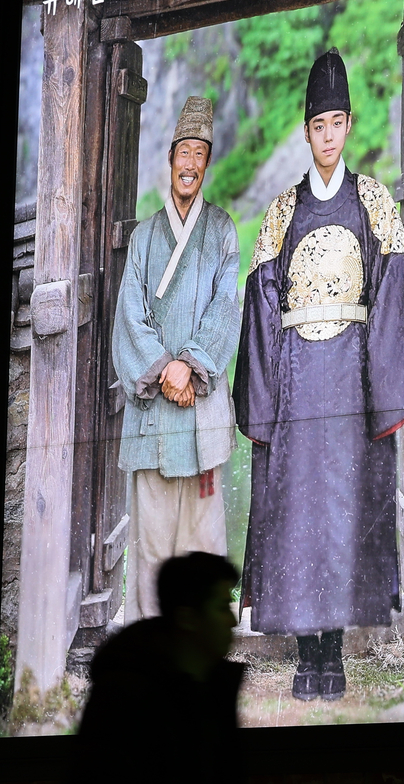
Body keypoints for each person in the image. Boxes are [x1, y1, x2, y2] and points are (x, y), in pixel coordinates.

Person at [234, 47, 404, 702]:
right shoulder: (282, 211)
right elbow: (263, 302)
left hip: (350, 379)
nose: (326, 136)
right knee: (298, 517)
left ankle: (335, 652)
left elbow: (391, 292)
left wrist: (379, 383)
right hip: (296, 382)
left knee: (345, 512)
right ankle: (306, 653)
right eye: (316, 125)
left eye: (335, 123)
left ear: (348, 125)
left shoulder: (372, 200)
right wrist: (267, 393)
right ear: (306, 130)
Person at [111, 94, 242, 621]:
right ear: (170, 160)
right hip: (153, 413)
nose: (190, 164)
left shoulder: (223, 231)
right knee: (153, 539)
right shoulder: (144, 237)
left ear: (207, 163)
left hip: (201, 407)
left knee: (203, 537)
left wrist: (190, 363)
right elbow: (128, 316)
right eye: (182, 152)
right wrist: (166, 368)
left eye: (199, 154)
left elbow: (224, 309)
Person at [73, 551, 243, 784]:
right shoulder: (121, 701)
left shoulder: (218, 683)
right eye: (223, 608)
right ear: (188, 618)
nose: (233, 622)